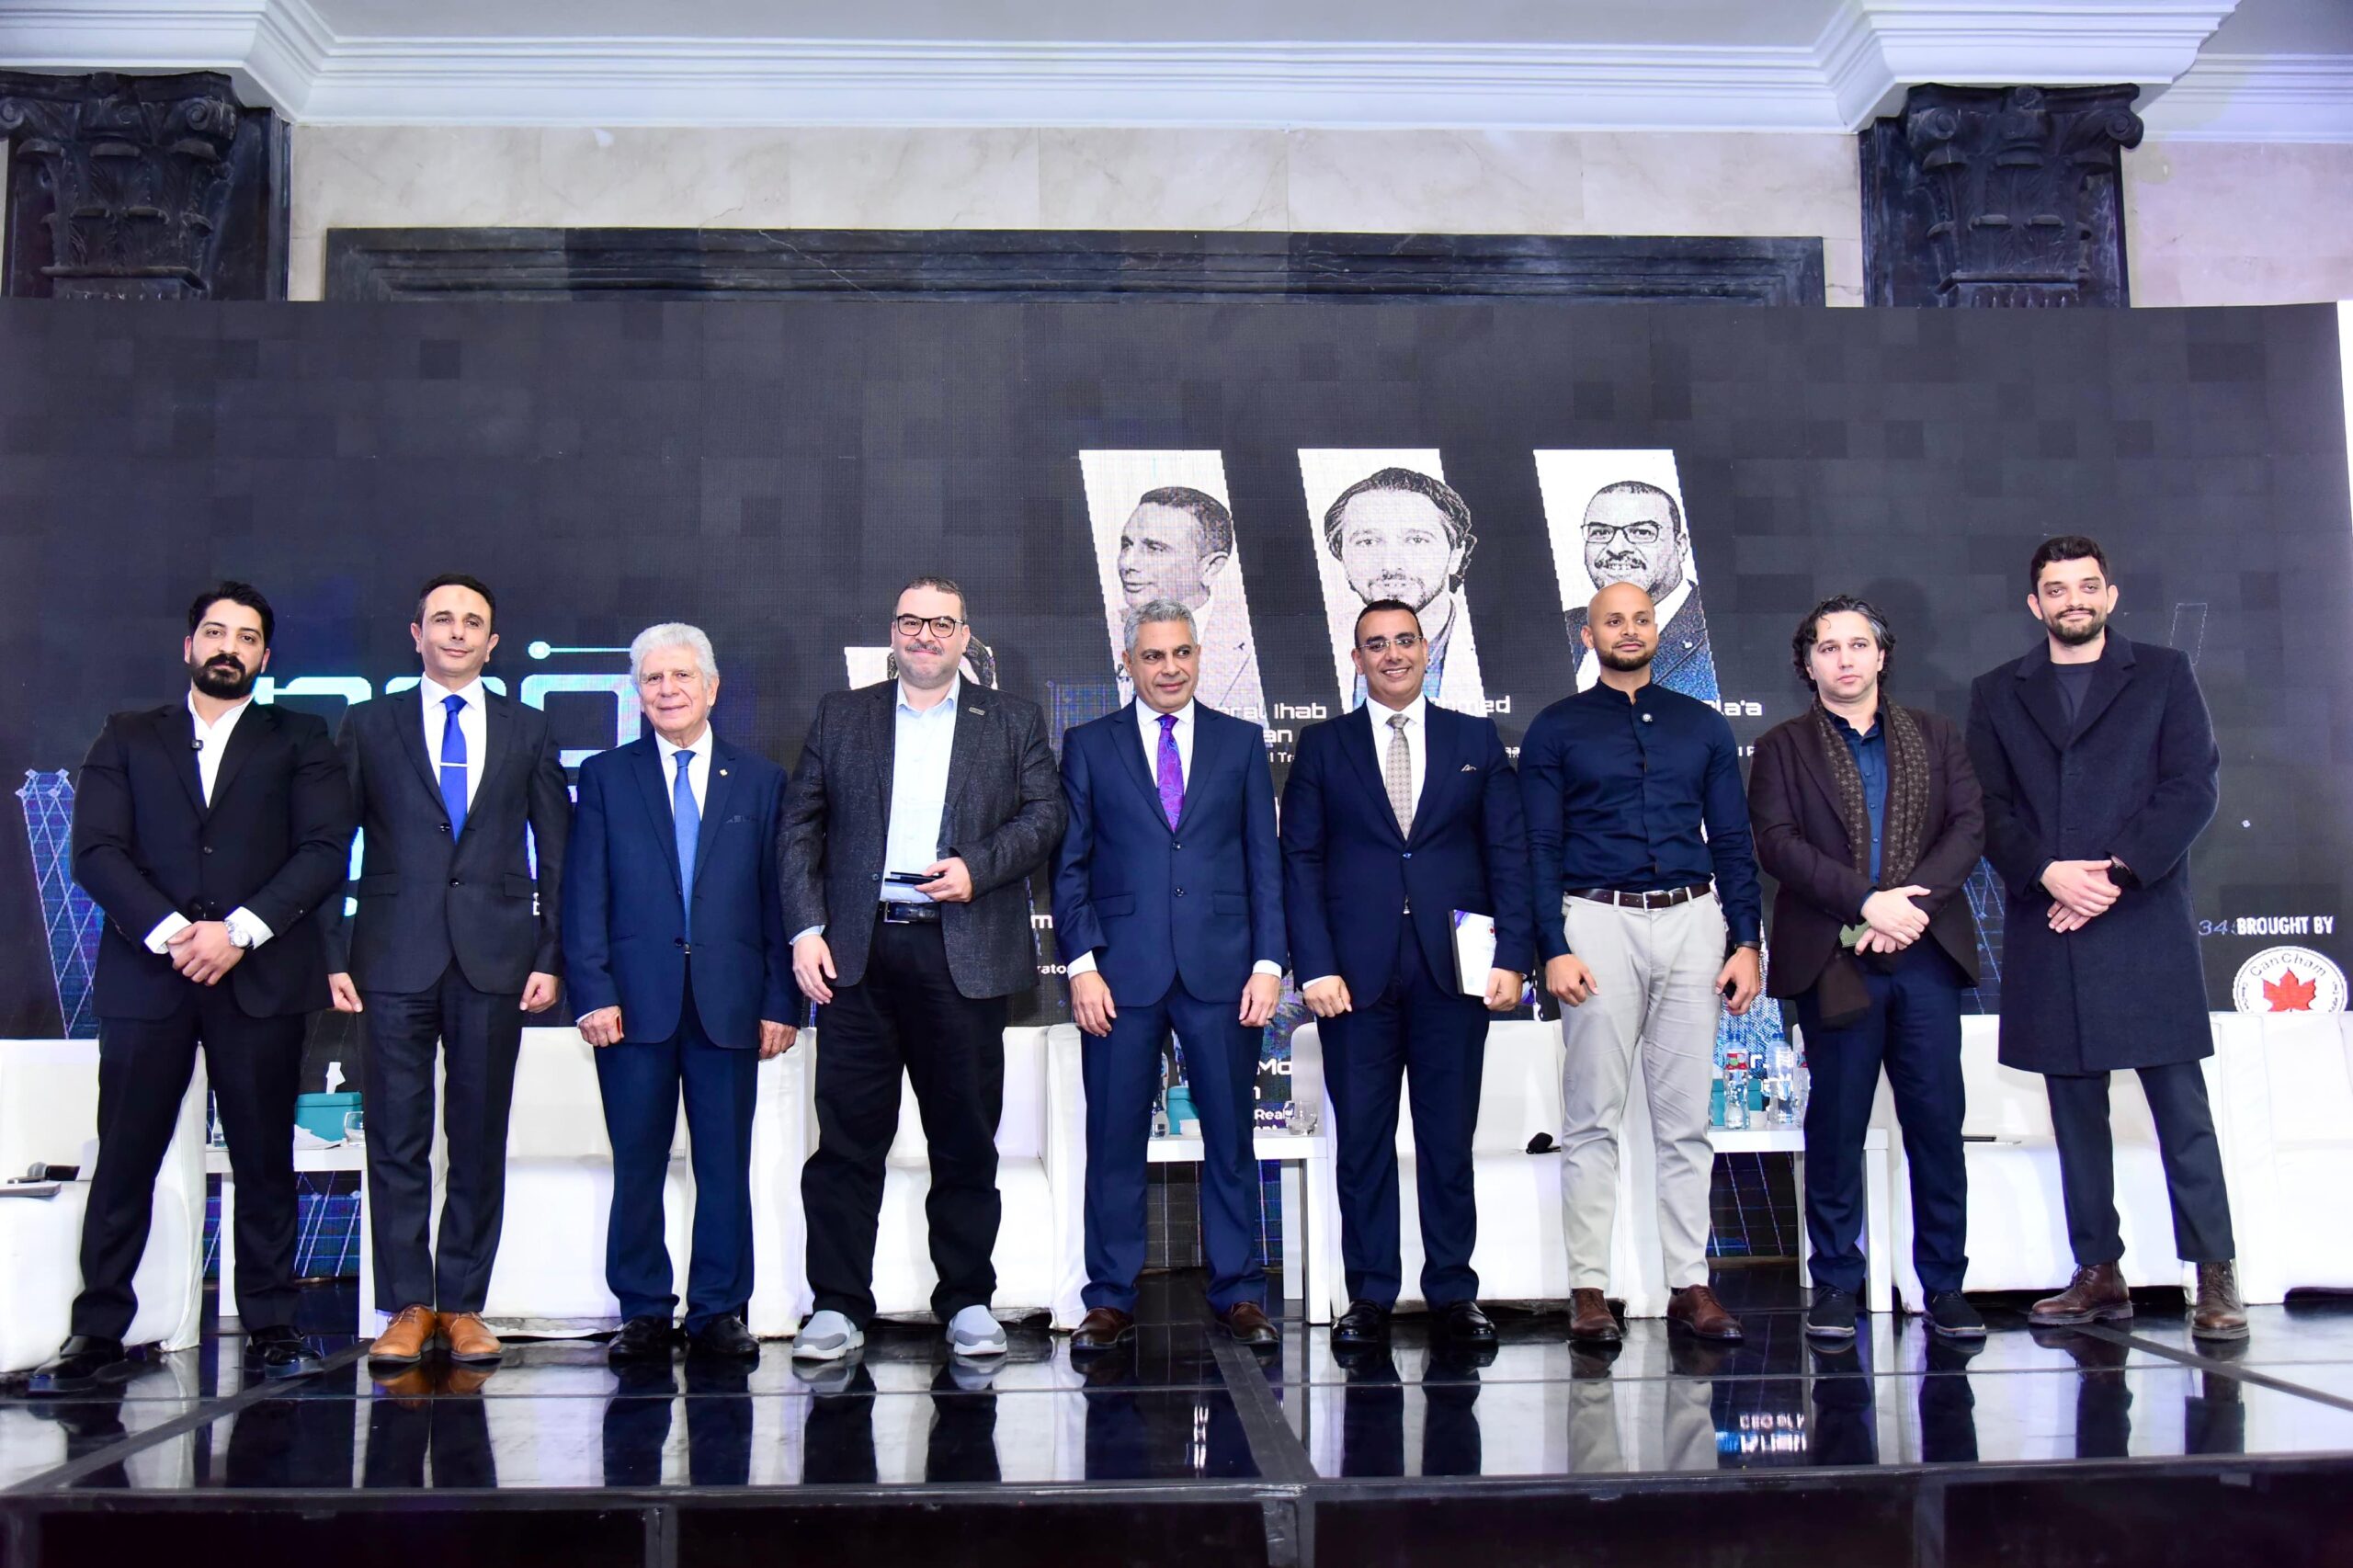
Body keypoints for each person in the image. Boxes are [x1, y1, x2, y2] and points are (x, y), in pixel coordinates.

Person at [31, 583, 355, 1393]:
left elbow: (323, 850)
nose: (228, 648)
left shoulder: (301, 738)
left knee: (263, 1159)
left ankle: (273, 1326)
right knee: (125, 1156)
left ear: (265, 657)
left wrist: (237, 932)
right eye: (215, 632)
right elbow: (96, 852)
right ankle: (98, 1329)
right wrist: (177, 933)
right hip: (150, 976)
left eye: (246, 638)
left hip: (260, 977)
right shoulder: (128, 735)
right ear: (189, 646)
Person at [1966, 535, 2246, 1339]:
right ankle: (2098, 1272)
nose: (2074, 601)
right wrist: (2048, 873)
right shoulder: (1997, 691)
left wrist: (2115, 875)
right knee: (2075, 1115)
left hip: (2143, 923)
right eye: (2057, 590)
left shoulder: (2164, 674)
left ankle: (2215, 1274)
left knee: (2182, 1115)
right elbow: (1987, 806)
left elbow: (2192, 787)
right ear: (2036, 604)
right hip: (2049, 925)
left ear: (2110, 596)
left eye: (2087, 586)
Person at [782, 576, 1067, 1362]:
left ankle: (968, 1300)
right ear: (893, 632)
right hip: (857, 956)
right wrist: (806, 929)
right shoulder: (843, 716)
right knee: (846, 1143)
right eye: (911, 621)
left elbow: (1046, 816)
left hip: (962, 954)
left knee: (965, 1141)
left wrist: (979, 867)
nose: (925, 636)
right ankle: (837, 1306)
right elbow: (800, 827)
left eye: (942, 623)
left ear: (965, 635)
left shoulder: (1010, 720)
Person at [327, 573, 572, 1369]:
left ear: (492, 643)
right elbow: (330, 845)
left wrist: (550, 954)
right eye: (443, 619)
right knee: (396, 1137)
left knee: (477, 1133)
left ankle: (463, 1303)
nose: (457, 632)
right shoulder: (370, 724)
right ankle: (407, 1305)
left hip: (495, 957)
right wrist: (332, 952)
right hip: (391, 954)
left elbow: (558, 853)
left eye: (472, 622)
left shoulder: (529, 729)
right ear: (417, 634)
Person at [1281, 597, 1531, 1348]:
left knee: (1447, 1140)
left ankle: (1454, 1292)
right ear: (1356, 658)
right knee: (1362, 1143)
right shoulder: (1323, 746)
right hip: (1352, 980)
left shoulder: (1474, 739)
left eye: (1404, 641)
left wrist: (1513, 956)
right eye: (1376, 644)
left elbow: (1508, 853)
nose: (1392, 654)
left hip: (1454, 971)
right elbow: (1301, 861)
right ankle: (1370, 1296)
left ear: (1426, 649)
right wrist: (1314, 966)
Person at [1520, 582, 1764, 1346]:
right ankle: (1589, 1290)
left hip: (1694, 922)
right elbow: (1538, 846)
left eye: (1641, 619)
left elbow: (1733, 841)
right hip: (1595, 923)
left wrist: (1746, 940)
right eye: (1613, 621)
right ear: (1588, 636)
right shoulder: (1556, 729)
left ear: (1657, 628)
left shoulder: (1702, 726)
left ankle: (1690, 1284)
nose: (1629, 631)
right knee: (1591, 1119)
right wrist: (1553, 946)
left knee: (1686, 1122)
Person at [1747, 595, 1987, 1342]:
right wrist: (1867, 903)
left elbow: (1969, 826)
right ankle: (1835, 1283)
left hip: (1925, 953)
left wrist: (1907, 909)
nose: (1845, 659)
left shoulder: (1937, 735)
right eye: (1828, 647)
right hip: (1834, 958)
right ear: (1808, 664)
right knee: (1837, 1125)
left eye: (1858, 645)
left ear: (1882, 656)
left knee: (1937, 1124)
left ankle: (1944, 1284)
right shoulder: (1783, 747)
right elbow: (1777, 843)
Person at [563, 623, 799, 1367]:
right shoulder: (606, 777)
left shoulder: (761, 781)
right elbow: (583, 893)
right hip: (631, 1007)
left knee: (724, 1166)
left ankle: (720, 1310)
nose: (668, 690)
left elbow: (779, 900)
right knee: (637, 1164)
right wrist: (592, 990)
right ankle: (641, 1310)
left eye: (682, 677)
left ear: (712, 688)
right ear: (637, 693)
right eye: (653, 679)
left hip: (731, 1006)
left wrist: (781, 1002)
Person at [1052, 597, 1285, 1351]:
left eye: (1182, 653)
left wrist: (1268, 962)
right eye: (1153, 656)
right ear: (1129, 663)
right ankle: (1109, 1298)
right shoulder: (1088, 745)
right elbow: (1069, 866)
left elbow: (1265, 862)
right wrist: (1081, 966)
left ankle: (1240, 1291)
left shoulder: (1240, 743)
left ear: (1198, 655)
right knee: (1114, 1140)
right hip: (1119, 976)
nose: (1170, 668)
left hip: (1224, 971)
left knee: (1231, 1140)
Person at [1322, 468, 1486, 713]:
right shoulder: (1304, 649)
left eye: (1416, 540)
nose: (1391, 565)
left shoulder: (1515, 652)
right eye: (1368, 542)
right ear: (1341, 557)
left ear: (1456, 555)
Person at [1115, 487, 1265, 722]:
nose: (1127, 563)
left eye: (1154, 549)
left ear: (1210, 567)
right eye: (1126, 545)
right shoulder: (1092, 637)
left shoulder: (1261, 650)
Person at [1560, 481, 1713, 698]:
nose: (1616, 549)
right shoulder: (1559, 629)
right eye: (1601, 532)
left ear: (1680, 546)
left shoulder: (1721, 632)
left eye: (1642, 532)